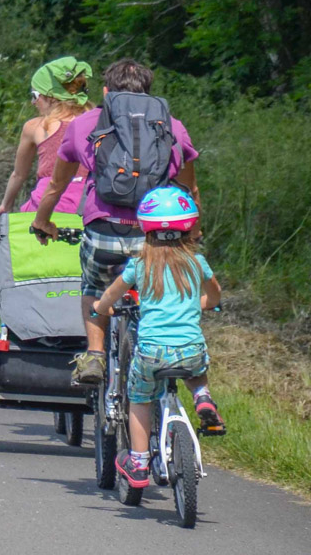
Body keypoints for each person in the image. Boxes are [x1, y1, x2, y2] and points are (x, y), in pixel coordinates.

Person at [29, 59, 198, 385]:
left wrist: (43, 221)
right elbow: (190, 189)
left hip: (104, 230)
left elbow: (56, 185)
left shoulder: (84, 124)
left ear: (106, 92)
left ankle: (94, 355)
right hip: (157, 236)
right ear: (148, 92)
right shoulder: (173, 126)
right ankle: (161, 352)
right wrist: (194, 232)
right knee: (158, 291)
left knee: (94, 286)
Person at [91, 186, 225, 489]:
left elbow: (111, 295)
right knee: (196, 367)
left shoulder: (139, 265)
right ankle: (202, 398)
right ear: (189, 227)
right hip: (190, 349)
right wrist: (206, 304)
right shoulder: (197, 263)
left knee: (138, 399)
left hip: (151, 352)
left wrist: (101, 308)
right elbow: (214, 294)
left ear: (145, 228)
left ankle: (138, 462)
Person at [0, 56, 94, 222]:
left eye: (35, 95)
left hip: (47, 206)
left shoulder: (35, 127)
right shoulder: (98, 122)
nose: (33, 102)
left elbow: (18, 175)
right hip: (88, 206)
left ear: (50, 96)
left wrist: (6, 205)